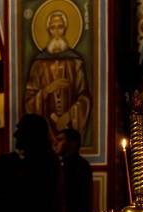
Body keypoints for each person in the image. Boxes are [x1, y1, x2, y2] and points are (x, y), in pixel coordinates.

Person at [24, 10, 91, 140]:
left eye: (60, 27)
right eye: (53, 28)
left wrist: (69, 116)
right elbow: (29, 102)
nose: (56, 32)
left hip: (68, 128)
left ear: (64, 29)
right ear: (49, 30)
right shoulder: (38, 63)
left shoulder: (76, 62)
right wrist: (47, 90)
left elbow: (84, 97)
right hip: (46, 128)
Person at [54, 128, 92, 212]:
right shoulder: (64, 163)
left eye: (60, 140)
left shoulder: (78, 165)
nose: (55, 144)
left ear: (73, 143)